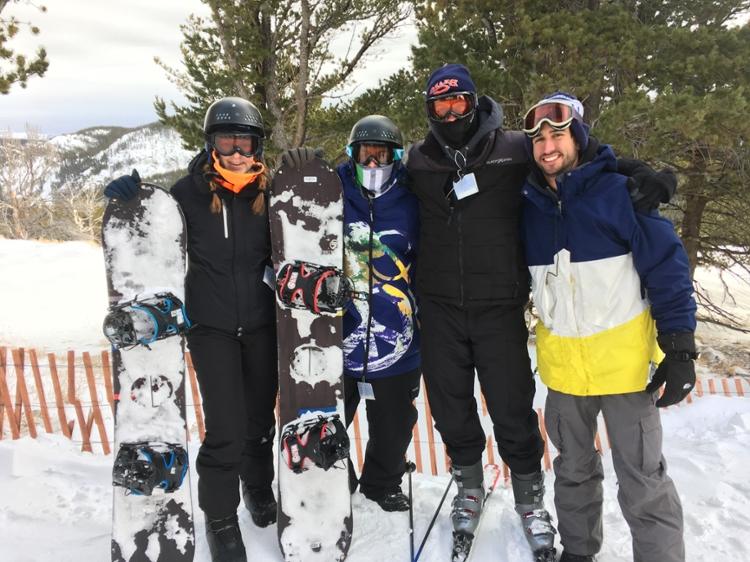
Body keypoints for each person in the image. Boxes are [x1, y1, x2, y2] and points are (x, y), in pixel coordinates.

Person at [405, 63, 677, 560]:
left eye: (458, 101)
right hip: (440, 307)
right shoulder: (417, 162)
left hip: (500, 309)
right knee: (449, 407)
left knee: (511, 408)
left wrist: (638, 172)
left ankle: (530, 496)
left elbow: (579, 165)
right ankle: (468, 483)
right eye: (439, 104)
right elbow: (370, 185)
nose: (449, 112)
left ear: (474, 101)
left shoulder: (513, 150)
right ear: (429, 110)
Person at [520, 92, 696, 562]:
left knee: (643, 482)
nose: (547, 147)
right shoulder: (528, 205)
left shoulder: (621, 194)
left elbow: (667, 267)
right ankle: (578, 554)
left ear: (577, 136)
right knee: (574, 474)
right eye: (538, 140)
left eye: (558, 134)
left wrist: (679, 348)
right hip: (564, 377)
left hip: (624, 371)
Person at [105, 96, 278, 562]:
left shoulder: (273, 193)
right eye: (228, 141)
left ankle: (258, 486)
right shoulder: (186, 195)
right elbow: (147, 241)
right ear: (211, 144)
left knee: (261, 421)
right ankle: (220, 516)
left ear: (257, 145)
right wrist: (133, 202)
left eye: (246, 142)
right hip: (212, 328)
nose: (238, 153)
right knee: (226, 426)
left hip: (263, 326)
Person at [280, 114, 421, 513]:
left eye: (382, 156)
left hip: (398, 344)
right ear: (352, 155)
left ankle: (383, 483)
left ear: (397, 156)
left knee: (393, 430)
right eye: (365, 155)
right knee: (325, 424)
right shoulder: (332, 191)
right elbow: (288, 216)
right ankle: (336, 479)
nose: (373, 165)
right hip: (336, 341)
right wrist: (300, 170)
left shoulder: (415, 199)